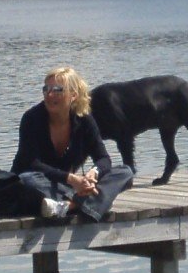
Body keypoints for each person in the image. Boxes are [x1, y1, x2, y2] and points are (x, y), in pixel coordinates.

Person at [11, 66, 134, 221]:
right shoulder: (31, 118)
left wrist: (93, 173)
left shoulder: (84, 120)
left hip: (66, 186)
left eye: (57, 89)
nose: (49, 94)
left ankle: (67, 206)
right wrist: (72, 180)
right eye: (46, 89)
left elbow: (103, 158)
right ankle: (89, 202)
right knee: (27, 179)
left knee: (125, 172)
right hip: (43, 181)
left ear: (73, 95)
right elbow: (31, 163)